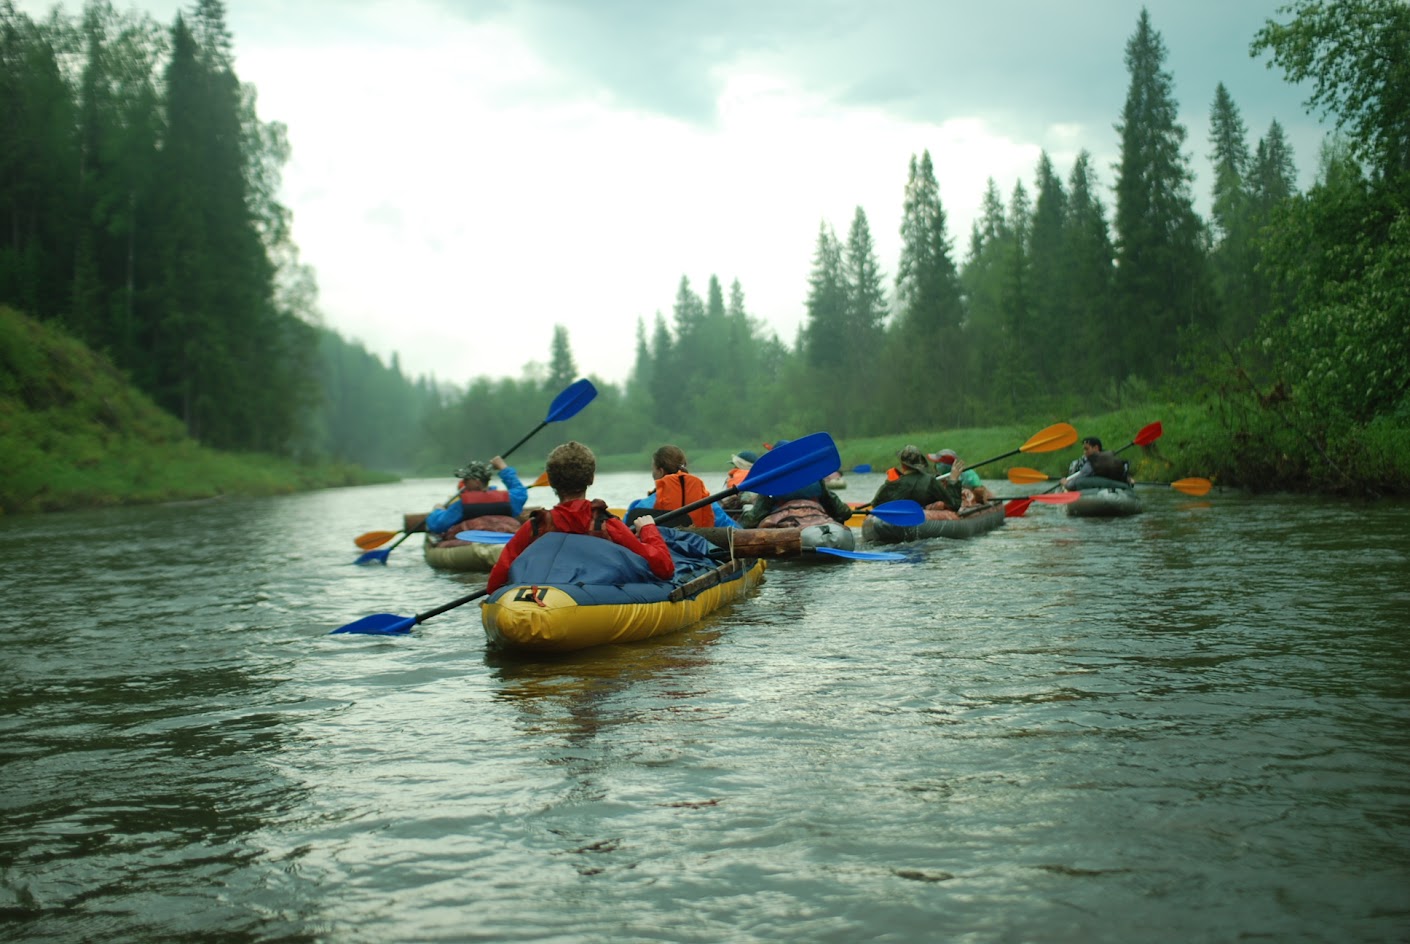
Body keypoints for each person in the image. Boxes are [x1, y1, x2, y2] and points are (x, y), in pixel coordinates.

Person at [486, 441, 675, 594]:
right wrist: (648, 530)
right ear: (591, 479)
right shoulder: (607, 525)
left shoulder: (535, 527)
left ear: (550, 480)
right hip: (592, 603)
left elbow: (495, 584)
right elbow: (664, 569)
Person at [739, 439, 853, 528]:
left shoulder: (772, 480)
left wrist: (741, 521)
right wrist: (844, 512)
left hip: (786, 525)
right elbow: (842, 512)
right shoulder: (815, 476)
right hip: (818, 524)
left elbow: (754, 517)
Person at [624, 445, 737, 528]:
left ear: (660, 471)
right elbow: (734, 530)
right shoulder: (707, 503)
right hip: (699, 554)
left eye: (653, 468)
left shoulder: (641, 506)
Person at [425, 456, 527, 533]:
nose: (463, 482)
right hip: (502, 539)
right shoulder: (508, 499)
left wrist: (437, 510)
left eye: (466, 479)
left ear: (477, 482)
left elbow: (437, 525)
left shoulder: (463, 505)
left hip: (473, 543)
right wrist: (503, 467)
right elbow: (520, 491)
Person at [872, 445, 964, 511]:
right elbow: (954, 505)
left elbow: (875, 504)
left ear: (902, 465)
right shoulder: (931, 481)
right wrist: (953, 480)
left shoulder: (893, 483)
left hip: (904, 521)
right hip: (923, 522)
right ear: (920, 464)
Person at [1060, 436, 1132, 489]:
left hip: (1102, 492)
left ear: (1096, 448)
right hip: (1116, 488)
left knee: (1077, 482)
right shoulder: (1111, 457)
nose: (1084, 452)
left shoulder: (1092, 461)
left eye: (1086, 449)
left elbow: (1078, 480)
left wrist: (1066, 484)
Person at [929, 447, 994, 503]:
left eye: (937, 463)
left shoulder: (968, 475)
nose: (935, 465)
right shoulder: (939, 477)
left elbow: (979, 491)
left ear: (945, 466)